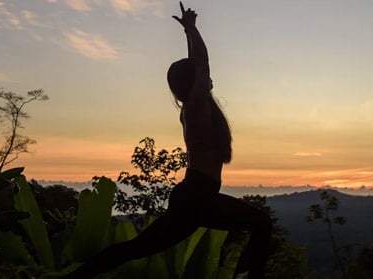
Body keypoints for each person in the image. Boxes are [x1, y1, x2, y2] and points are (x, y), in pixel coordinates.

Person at [62, 3, 272, 278]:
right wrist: (192, 29)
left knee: (136, 248)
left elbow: (196, 65)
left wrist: (187, 32)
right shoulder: (195, 107)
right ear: (194, 81)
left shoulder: (197, 106)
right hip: (196, 196)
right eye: (200, 76)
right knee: (261, 223)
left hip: (196, 197)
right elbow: (202, 63)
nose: (208, 78)